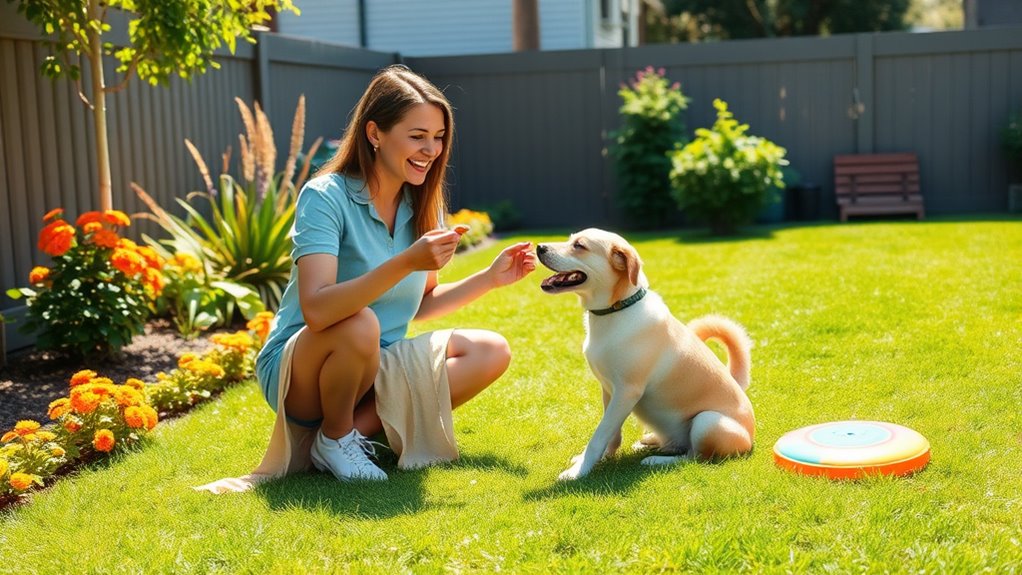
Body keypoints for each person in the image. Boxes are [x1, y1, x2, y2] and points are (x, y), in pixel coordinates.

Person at [250, 64, 536, 483]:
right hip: (301, 371)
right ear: (375, 134)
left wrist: (490, 278)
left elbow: (421, 303)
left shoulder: (423, 204)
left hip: (377, 365)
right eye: (417, 136)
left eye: (439, 137)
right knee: (360, 323)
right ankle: (336, 435)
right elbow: (317, 310)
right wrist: (406, 262)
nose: (431, 150)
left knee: (491, 350)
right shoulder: (325, 196)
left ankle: (340, 439)